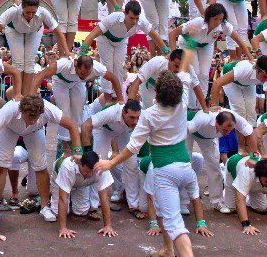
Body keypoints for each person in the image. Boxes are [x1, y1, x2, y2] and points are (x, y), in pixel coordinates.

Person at [95, 65, 213, 257]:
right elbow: (184, 75)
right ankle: (167, 249)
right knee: (160, 210)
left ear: (156, 92)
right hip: (186, 168)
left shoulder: (149, 114)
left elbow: (132, 147)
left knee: (175, 225)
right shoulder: (182, 103)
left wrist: (110, 163)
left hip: (165, 172)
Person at [0, 95, 81, 223]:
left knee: (41, 166)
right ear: (22, 110)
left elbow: (72, 126)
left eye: (36, 117)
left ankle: (44, 207)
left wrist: (78, 151)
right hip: (9, 128)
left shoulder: (49, 109)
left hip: (35, 131)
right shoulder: (10, 109)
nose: (33, 120)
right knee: (2, 166)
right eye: (30, 116)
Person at [0, 0, 69, 96]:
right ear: (22, 8)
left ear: (37, 9)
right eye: (27, 12)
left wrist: (67, 51)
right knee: (18, 62)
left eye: (33, 12)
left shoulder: (43, 12)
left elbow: (58, 32)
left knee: (29, 62)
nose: (30, 15)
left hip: (34, 31)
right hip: (14, 30)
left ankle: (25, 96)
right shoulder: (13, 10)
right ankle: (17, 95)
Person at [80, 1, 168, 105]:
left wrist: (166, 51)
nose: (134, 21)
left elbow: (154, 35)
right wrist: (82, 51)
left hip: (121, 41)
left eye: (137, 18)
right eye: (131, 18)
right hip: (105, 39)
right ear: (124, 13)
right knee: (108, 67)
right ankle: (107, 100)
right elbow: (93, 33)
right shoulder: (115, 17)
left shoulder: (142, 22)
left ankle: (118, 99)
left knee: (119, 67)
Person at [31, 54, 123, 151]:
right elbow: (40, 75)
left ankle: (77, 145)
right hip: (60, 82)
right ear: (76, 66)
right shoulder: (64, 64)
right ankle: (65, 146)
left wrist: (121, 100)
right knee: (64, 112)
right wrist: (31, 97)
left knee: (78, 113)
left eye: (88, 74)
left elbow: (114, 78)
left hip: (78, 83)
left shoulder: (97, 67)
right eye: (83, 73)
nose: (85, 76)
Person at [169, 3, 251, 96]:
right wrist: (173, 53)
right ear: (208, 17)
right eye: (215, 19)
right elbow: (172, 34)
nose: (218, 22)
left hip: (206, 45)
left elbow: (238, 39)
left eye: (220, 19)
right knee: (195, 72)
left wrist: (250, 56)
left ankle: (202, 102)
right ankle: (190, 103)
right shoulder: (197, 22)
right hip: (188, 43)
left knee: (204, 74)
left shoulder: (224, 25)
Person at [186, 109, 256, 214]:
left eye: (230, 130)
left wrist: (254, 157)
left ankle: (217, 201)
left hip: (208, 137)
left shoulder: (236, 119)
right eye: (224, 130)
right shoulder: (203, 119)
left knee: (214, 165)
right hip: (187, 131)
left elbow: (250, 133)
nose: (227, 134)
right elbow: (182, 130)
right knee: (185, 164)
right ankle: (183, 202)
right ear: (216, 123)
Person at [81, 100, 142, 217]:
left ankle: (133, 205)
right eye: (132, 117)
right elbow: (86, 125)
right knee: (97, 164)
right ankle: (94, 205)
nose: (136, 121)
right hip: (103, 130)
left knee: (132, 163)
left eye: (137, 118)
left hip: (123, 132)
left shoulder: (140, 116)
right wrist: (88, 151)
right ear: (123, 112)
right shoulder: (111, 112)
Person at [51, 152, 117, 239]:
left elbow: (104, 197)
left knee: (81, 211)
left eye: (92, 172)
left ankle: (73, 193)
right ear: (80, 163)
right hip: (61, 176)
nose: (90, 175)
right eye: (87, 171)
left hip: (82, 183)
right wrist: (63, 228)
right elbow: (63, 198)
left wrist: (107, 226)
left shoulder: (102, 167)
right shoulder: (67, 167)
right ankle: (55, 194)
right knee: (57, 212)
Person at [127, 50, 206, 112]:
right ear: (169, 60)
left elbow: (196, 86)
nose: (178, 70)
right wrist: (129, 102)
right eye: (176, 66)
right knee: (150, 111)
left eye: (181, 67)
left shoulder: (188, 68)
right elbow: (138, 80)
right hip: (149, 87)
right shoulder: (157, 61)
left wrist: (205, 108)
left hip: (170, 90)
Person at [210, 56, 267, 126]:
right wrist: (214, 106)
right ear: (257, 70)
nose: (266, 80)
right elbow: (216, 83)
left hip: (247, 82)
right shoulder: (244, 69)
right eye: (264, 77)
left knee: (251, 111)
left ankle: (251, 132)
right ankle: (238, 132)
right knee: (239, 109)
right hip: (231, 81)